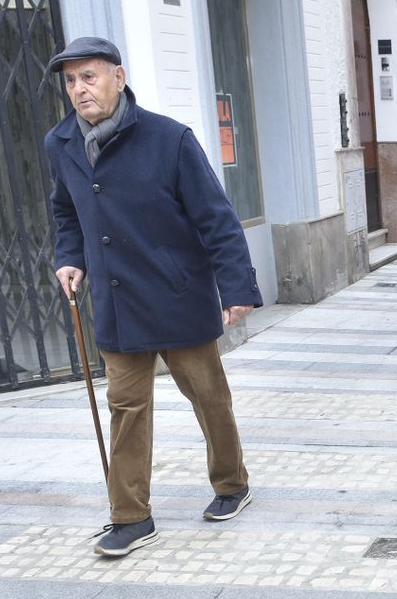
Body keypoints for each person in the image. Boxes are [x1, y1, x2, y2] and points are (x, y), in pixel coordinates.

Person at [44, 36, 260, 558]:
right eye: (71, 81)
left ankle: (231, 483)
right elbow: (67, 212)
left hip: (176, 293)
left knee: (209, 398)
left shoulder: (171, 139)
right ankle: (131, 516)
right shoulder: (61, 143)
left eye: (89, 77)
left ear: (118, 77)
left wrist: (236, 288)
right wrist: (68, 258)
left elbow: (217, 219)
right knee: (126, 408)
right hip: (118, 305)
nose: (79, 90)